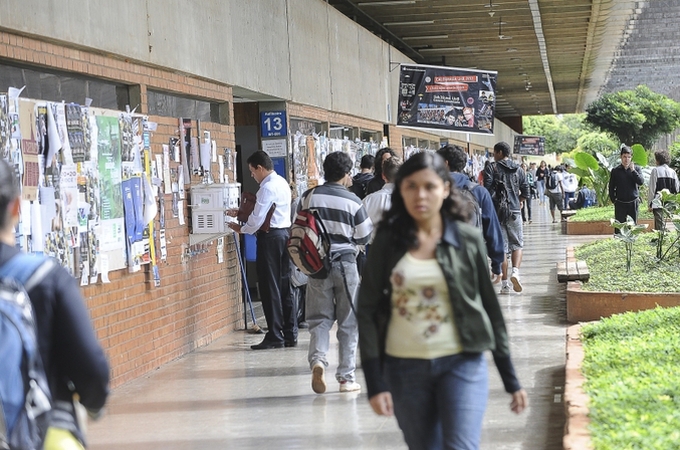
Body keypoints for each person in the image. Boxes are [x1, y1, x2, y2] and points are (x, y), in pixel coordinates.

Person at [357, 152, 527, 450]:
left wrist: (510, 378)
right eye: (411, 186)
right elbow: (368, 309)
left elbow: (489, 307)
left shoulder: (466, 239)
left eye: (430, 186)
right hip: (404, 368)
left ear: (445, 189)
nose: (420, 195)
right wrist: (375, 381)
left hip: (462, 363)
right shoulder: (387, 240)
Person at [0, 158, 110, 449]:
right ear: (16, 207)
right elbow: (89, 365)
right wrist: (94, 404)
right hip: (43, 433)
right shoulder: (46, 278)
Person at [299, 151, 373, 394]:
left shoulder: (308, 197)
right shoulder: (353, 201)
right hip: (345, 263)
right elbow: (364, 236)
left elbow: (299, 227)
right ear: (345, 174)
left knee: (319, 319)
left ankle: (318, 361)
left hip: (316, 266)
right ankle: (345, 378)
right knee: (348, 321)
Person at [227, 150, 295, 350]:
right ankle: (290, 333)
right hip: (284, 235)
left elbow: (257, 220)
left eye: (252, 171)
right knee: (284, 286)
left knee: (268, 287)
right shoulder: (282, 183)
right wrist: (241, 213)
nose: (252, 176)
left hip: (270, 238)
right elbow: (266, 213)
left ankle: (275, 335)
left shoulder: (266, 188)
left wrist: (242, 229)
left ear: (260, 168)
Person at [436, 145, 503, 283]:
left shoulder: (431, 191)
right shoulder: (478, 191)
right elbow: (492, 229)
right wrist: (497, 264)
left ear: (445, 163)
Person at [483, 141, 530, 294]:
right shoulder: (519, 169)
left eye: (495, 153)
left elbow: (487, 191)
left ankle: (504, 285)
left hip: (497, 213)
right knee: (517, 244)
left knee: (502, 247)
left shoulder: (491, 167)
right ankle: (515, 272)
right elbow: (526, 192)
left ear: (500, 153)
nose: (494, 156)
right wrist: (519, 202)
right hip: (515, 211)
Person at [363, 157, 402, 243]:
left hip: (374, 248)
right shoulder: (409, 199)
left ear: (383, 176)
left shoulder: (369, 200)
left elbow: (361, 230)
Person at [608, 144, 644, 226]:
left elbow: (641, 182)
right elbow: (611, 187)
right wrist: (614, 200)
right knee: (619, 227)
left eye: (628, 157)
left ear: (631, 158)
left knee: (632, 226)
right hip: (620, 203)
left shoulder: (637, 169)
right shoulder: (615, 171)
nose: (626, 159)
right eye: (624, 157)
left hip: (633, 202)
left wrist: (633, 170)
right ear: (621, 157)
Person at [647, 149, 679, 231]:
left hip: (657, 202)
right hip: (670, 203)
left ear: (658, 160)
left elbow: (652, 188)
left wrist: (650, 204)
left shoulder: (655, 171)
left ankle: (660, 241)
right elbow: (677, 188)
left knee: (659, 227)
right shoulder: (673, 172)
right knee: (672, 226)